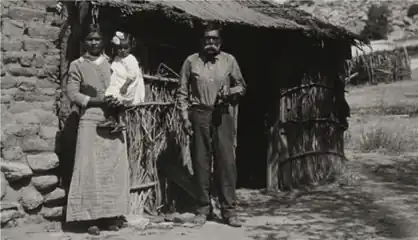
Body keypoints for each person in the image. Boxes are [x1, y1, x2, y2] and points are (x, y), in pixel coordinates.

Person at [177, 23, 246, 228]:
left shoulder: (229, 60)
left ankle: (229, 211)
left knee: (226, 163)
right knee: (200, 162)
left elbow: (242, 86)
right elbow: (182, 92)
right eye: (207, 39)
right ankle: (203, 209)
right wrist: (184, 117)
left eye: (214, 39)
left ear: (220, 42)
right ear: (201, 41)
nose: (211, 43)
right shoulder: (191, 61)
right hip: (199, 114)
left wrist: (231, 92)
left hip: (222, 114)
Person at [65, 24, 130, 235]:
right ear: (84, 42)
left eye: (98, 39)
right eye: (90, 39)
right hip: (90, 120)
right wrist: (95, 100)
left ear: (103, 41)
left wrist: (119, 100)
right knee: (89, 168)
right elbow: (73, 93)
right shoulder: (77, 65)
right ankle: (89, 217)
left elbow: (125, 86)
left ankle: (111, 215)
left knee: (112, 168)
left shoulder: (113, 64)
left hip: (113, 119)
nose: (94, 42)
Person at [97, 31, 145, 133]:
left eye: (126, 48)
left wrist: (125, 85)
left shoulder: (131, 59)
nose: (122, 50)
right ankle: (117, 121)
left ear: (130, 48)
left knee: (117, 100)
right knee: (112, 101)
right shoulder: (117, 58)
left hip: (127, 85)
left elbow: (133, 74)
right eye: (120, 48)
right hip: (117, 84)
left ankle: (116, 120)